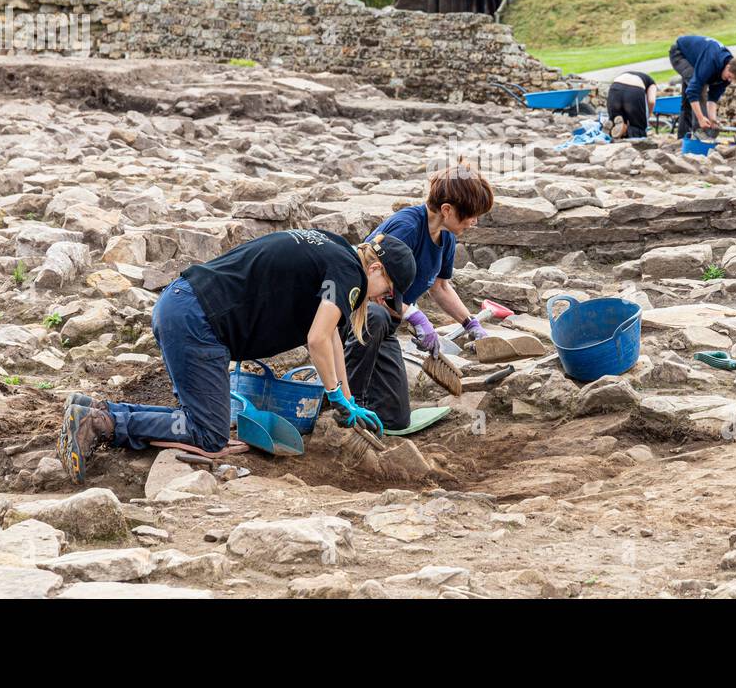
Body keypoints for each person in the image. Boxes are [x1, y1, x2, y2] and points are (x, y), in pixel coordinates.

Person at [57, 228, 417, 484]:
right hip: (198, 324)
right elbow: (317, 339)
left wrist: (348, 401)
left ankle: (93, 408)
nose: (379, 300)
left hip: (184, 304)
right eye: (386, 291)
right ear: (375, 269)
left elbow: (334, 339)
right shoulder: (349, 273)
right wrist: (335, 395)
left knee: (202, 419)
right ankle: (100, 423)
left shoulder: (335, 249)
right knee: (210, 436)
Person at [343, 162, 495, 431]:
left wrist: (470, 324)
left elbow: (440, 287)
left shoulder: (446, 237)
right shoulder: (406, 228)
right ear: (447, 209)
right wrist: (416, 317)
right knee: (377, 316)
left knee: (395, 419)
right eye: (470, 216)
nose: (474, 222)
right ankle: (346, 405)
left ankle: (343, 394)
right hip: (356, 315)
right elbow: (372, 287)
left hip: (384, 326)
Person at [668, 35, 736, 140]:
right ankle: (700, 131)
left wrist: (712, 119)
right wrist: (701, 118)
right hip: (680, 53)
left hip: (697, 59)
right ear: (728, 67)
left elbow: (713, 98)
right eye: (730, 77)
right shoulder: (710, 61)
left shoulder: (727, 73)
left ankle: (683, 138)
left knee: (689, 99)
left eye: (731, 80)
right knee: (698, 87)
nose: (729, 81)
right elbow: (693, 91)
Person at [607, 70, 658, 139]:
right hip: (634, 91)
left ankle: (611, 129)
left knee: (615, 123)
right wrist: (648, 116)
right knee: (638, 128)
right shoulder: (652, 83)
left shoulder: (626, 74)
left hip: (615, 88)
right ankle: (625, 130)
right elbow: (651, 101)